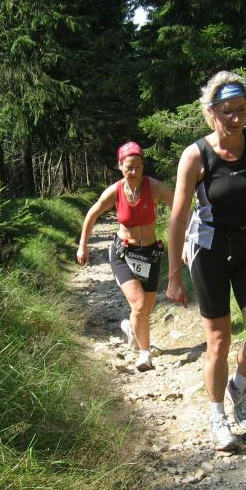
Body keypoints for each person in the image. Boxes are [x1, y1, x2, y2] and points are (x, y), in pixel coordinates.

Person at [166, 71, 246, 451]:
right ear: (210, 113)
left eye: (241, 110)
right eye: (226, 111)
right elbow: (178, 218)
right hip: (210, 251)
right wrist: (173, 275)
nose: (235, 119)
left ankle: (240, 385)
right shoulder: (195, 156)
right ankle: (217, 416)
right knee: (218, 341)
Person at [77, 142, 174, 371]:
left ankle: (131, 329)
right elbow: (92, 214)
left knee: (144, 310)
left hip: (150, 254)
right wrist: (82, 246)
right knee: (139, 305)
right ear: (120, 166)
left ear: (143, 167)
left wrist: (189, 236)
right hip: (123, 253)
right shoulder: (115, 191)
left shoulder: (155, 187)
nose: (133, 172)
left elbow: (179, 208)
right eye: (129, 167)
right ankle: (144, 353)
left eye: (138, 167)